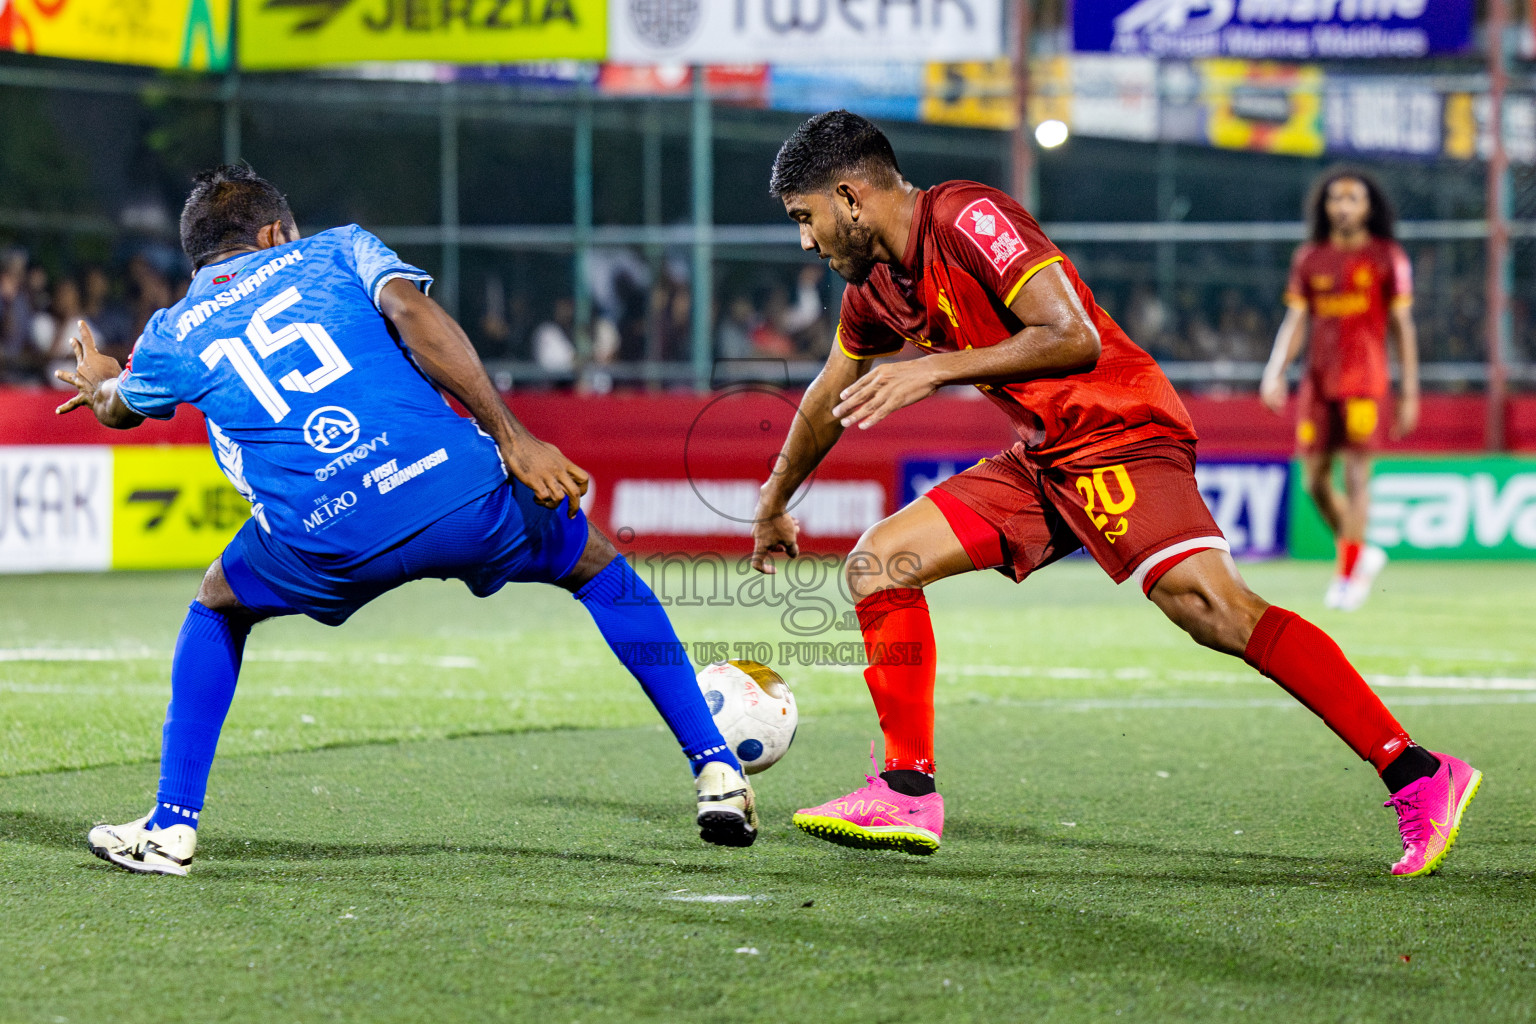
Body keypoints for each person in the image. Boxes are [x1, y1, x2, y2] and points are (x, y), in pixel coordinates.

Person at [750, 111, 1476, 878]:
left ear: (850, 196)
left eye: (806, 218)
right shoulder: (877, 290)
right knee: (881, 561)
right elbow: (833, 389)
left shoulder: (970, 215)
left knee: (1213, 610)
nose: (806, 239)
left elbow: (1072, 334)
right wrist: (774, 498)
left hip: (1121, 429)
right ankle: (906, 787)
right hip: (1047, 456)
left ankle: (1419, 772)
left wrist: (932, 369)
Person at [56, 165, 757, 876]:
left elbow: (118, 408)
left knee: (217, 604)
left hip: (326, 538)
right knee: (598, 567)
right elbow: (416, 318)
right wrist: (513, 438)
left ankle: (171, 827)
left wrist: (105, 379)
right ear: (274, 234)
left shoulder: (172, 331)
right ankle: (716, 772)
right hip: (453, 493)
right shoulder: (340, 250)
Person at [1260, 169, 1418, 611]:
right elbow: (1296, 320)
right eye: (1336, 199)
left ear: (1369, 207)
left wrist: (1410, 391)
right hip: (1318, 384)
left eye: (1353, 198)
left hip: (1366, 383)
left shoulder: (1388, 257)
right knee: (1313, 482)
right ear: (1324, 206)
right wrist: (1275, 370)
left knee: (1356, 477)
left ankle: (1348, 575)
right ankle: (1361, 553)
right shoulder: (1310, 258)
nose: (1343, 206)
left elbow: (1402, 328)